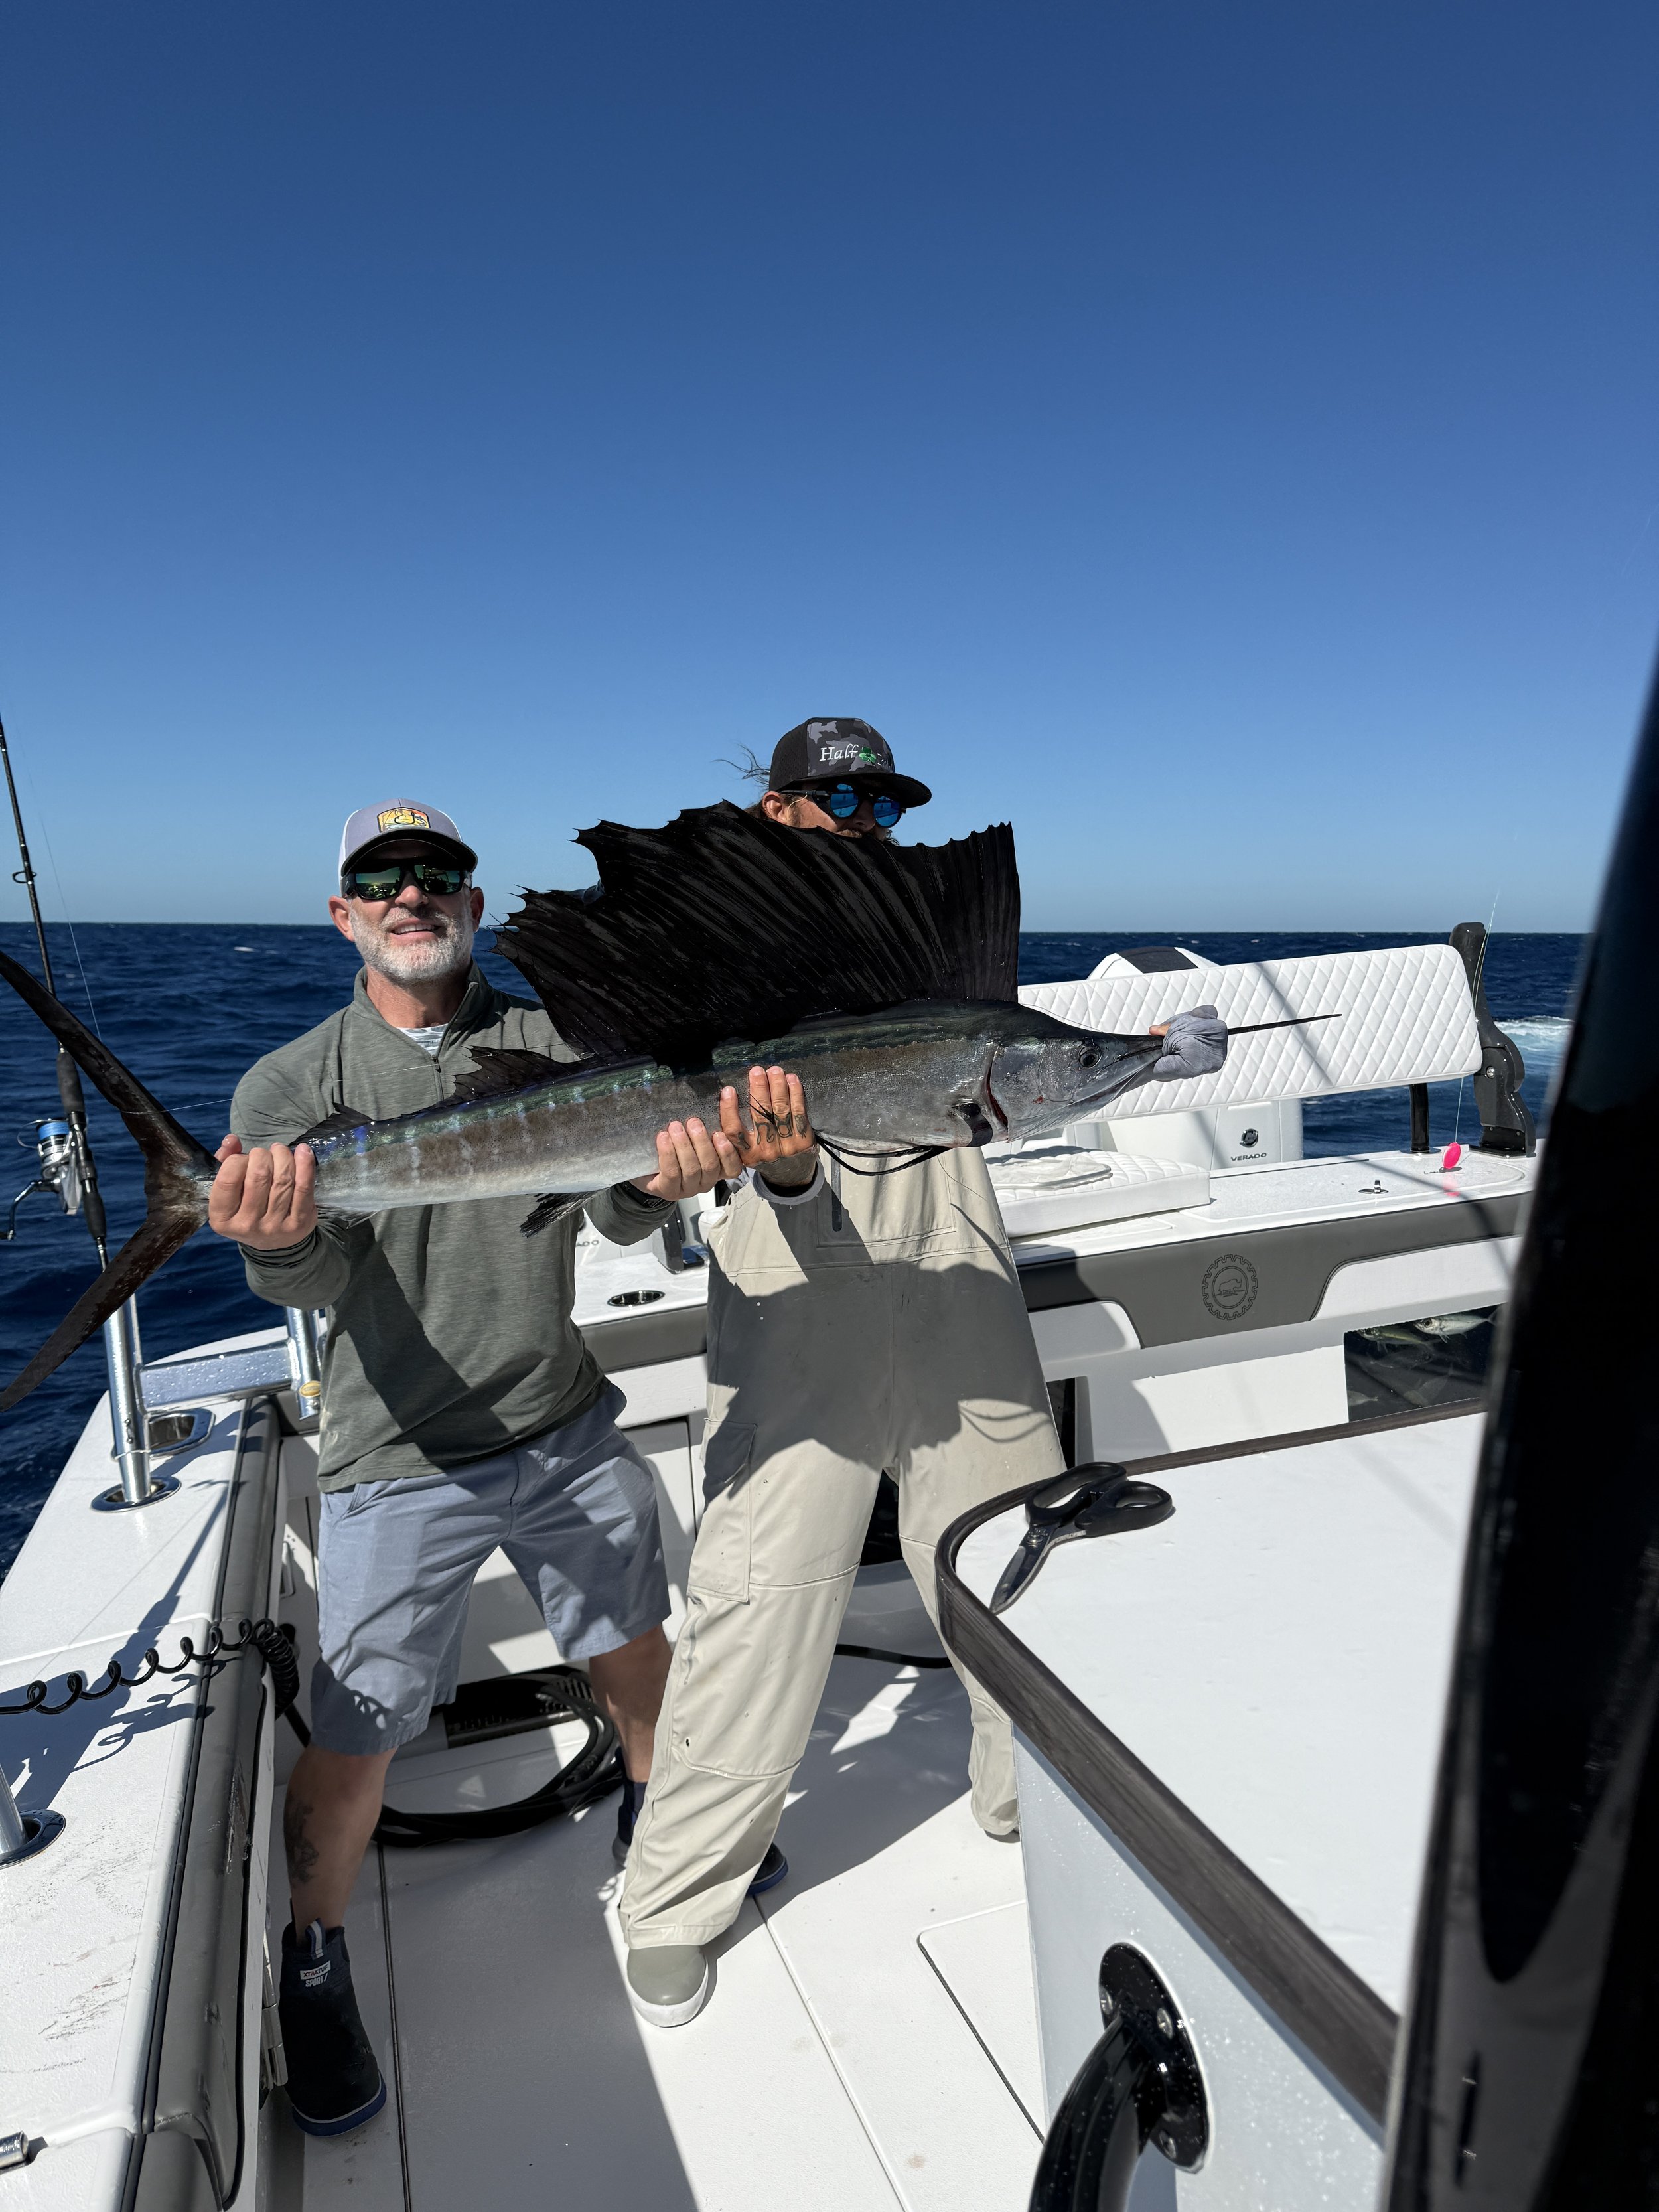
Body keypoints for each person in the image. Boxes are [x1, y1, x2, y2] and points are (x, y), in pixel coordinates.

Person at [617, 721, 1226, 2025]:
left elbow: (1015, 1060)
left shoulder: (920, 952)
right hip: (793, 1286)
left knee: (1022, 1574)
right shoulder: (731, 955)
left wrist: (1147, 1052)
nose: (863, 816)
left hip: (956, 1278)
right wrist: (690, 1164)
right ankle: (672, 1898)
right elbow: (628, 1162)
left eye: (880, 801)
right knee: (754, 1601)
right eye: (836, 795)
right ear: (776, 811)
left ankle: (1029, 1803)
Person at [211, 799, 753, 2136]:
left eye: (436, 873)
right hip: (397, 1453)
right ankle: (315, 1955)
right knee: (356, 1734)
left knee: (635, 1640)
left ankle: (655, 1820)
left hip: (559, 1416)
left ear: (473, 902)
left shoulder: (550, 1042)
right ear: (344, 914)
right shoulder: (290, 1087)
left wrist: (672, 1177)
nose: (410, 893)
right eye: (379, 879)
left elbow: (615, 1198)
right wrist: (264, 1238)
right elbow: (313, 1269)